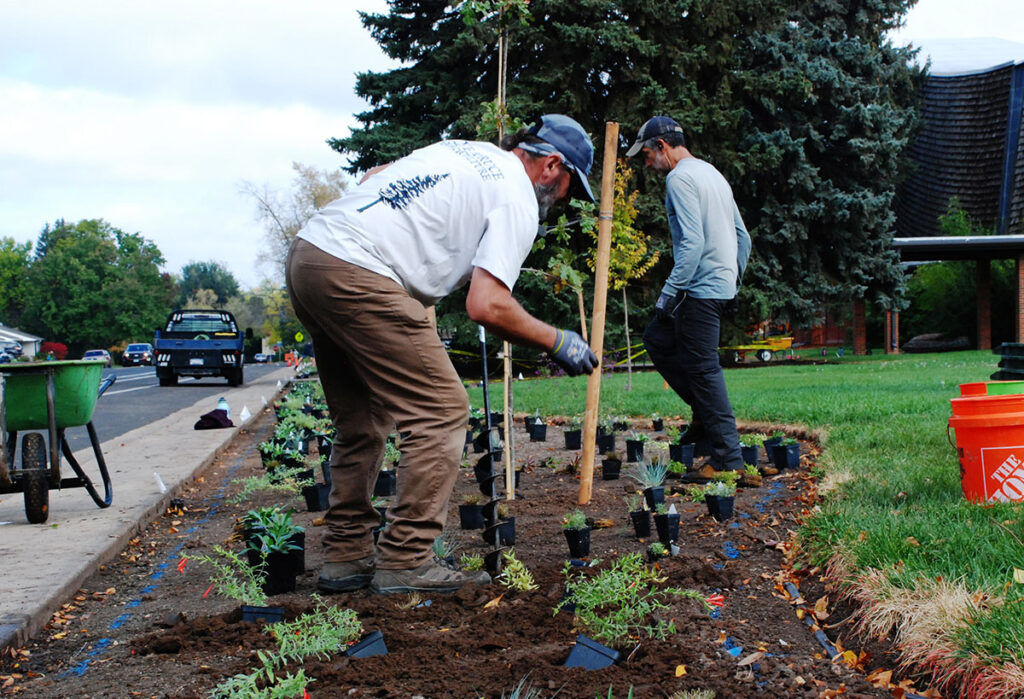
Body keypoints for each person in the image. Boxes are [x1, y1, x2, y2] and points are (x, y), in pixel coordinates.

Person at [286, 114, 599, 595]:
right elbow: (486, 304)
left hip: (312, 256)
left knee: (362, 423)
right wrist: (557, 340)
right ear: (552, 166)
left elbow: (377, 176)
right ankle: (406, 560)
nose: (562, 203)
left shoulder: (462, 151)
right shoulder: (517, 195)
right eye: (568, 191)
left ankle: (345, 557)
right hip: (358, 271)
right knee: (442, 411)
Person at [626, 116, 757, 483]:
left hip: (697, 290)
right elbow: (741, 237)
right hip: (718, 286)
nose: (646, 163)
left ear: (663, 147)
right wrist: (732, 280)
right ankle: (703, 421)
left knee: (702, 370)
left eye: (647, 154)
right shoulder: (713, 175)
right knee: (658, 339)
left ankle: (728, 460)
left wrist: (668, 294)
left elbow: (692, 244)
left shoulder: (679, 178)